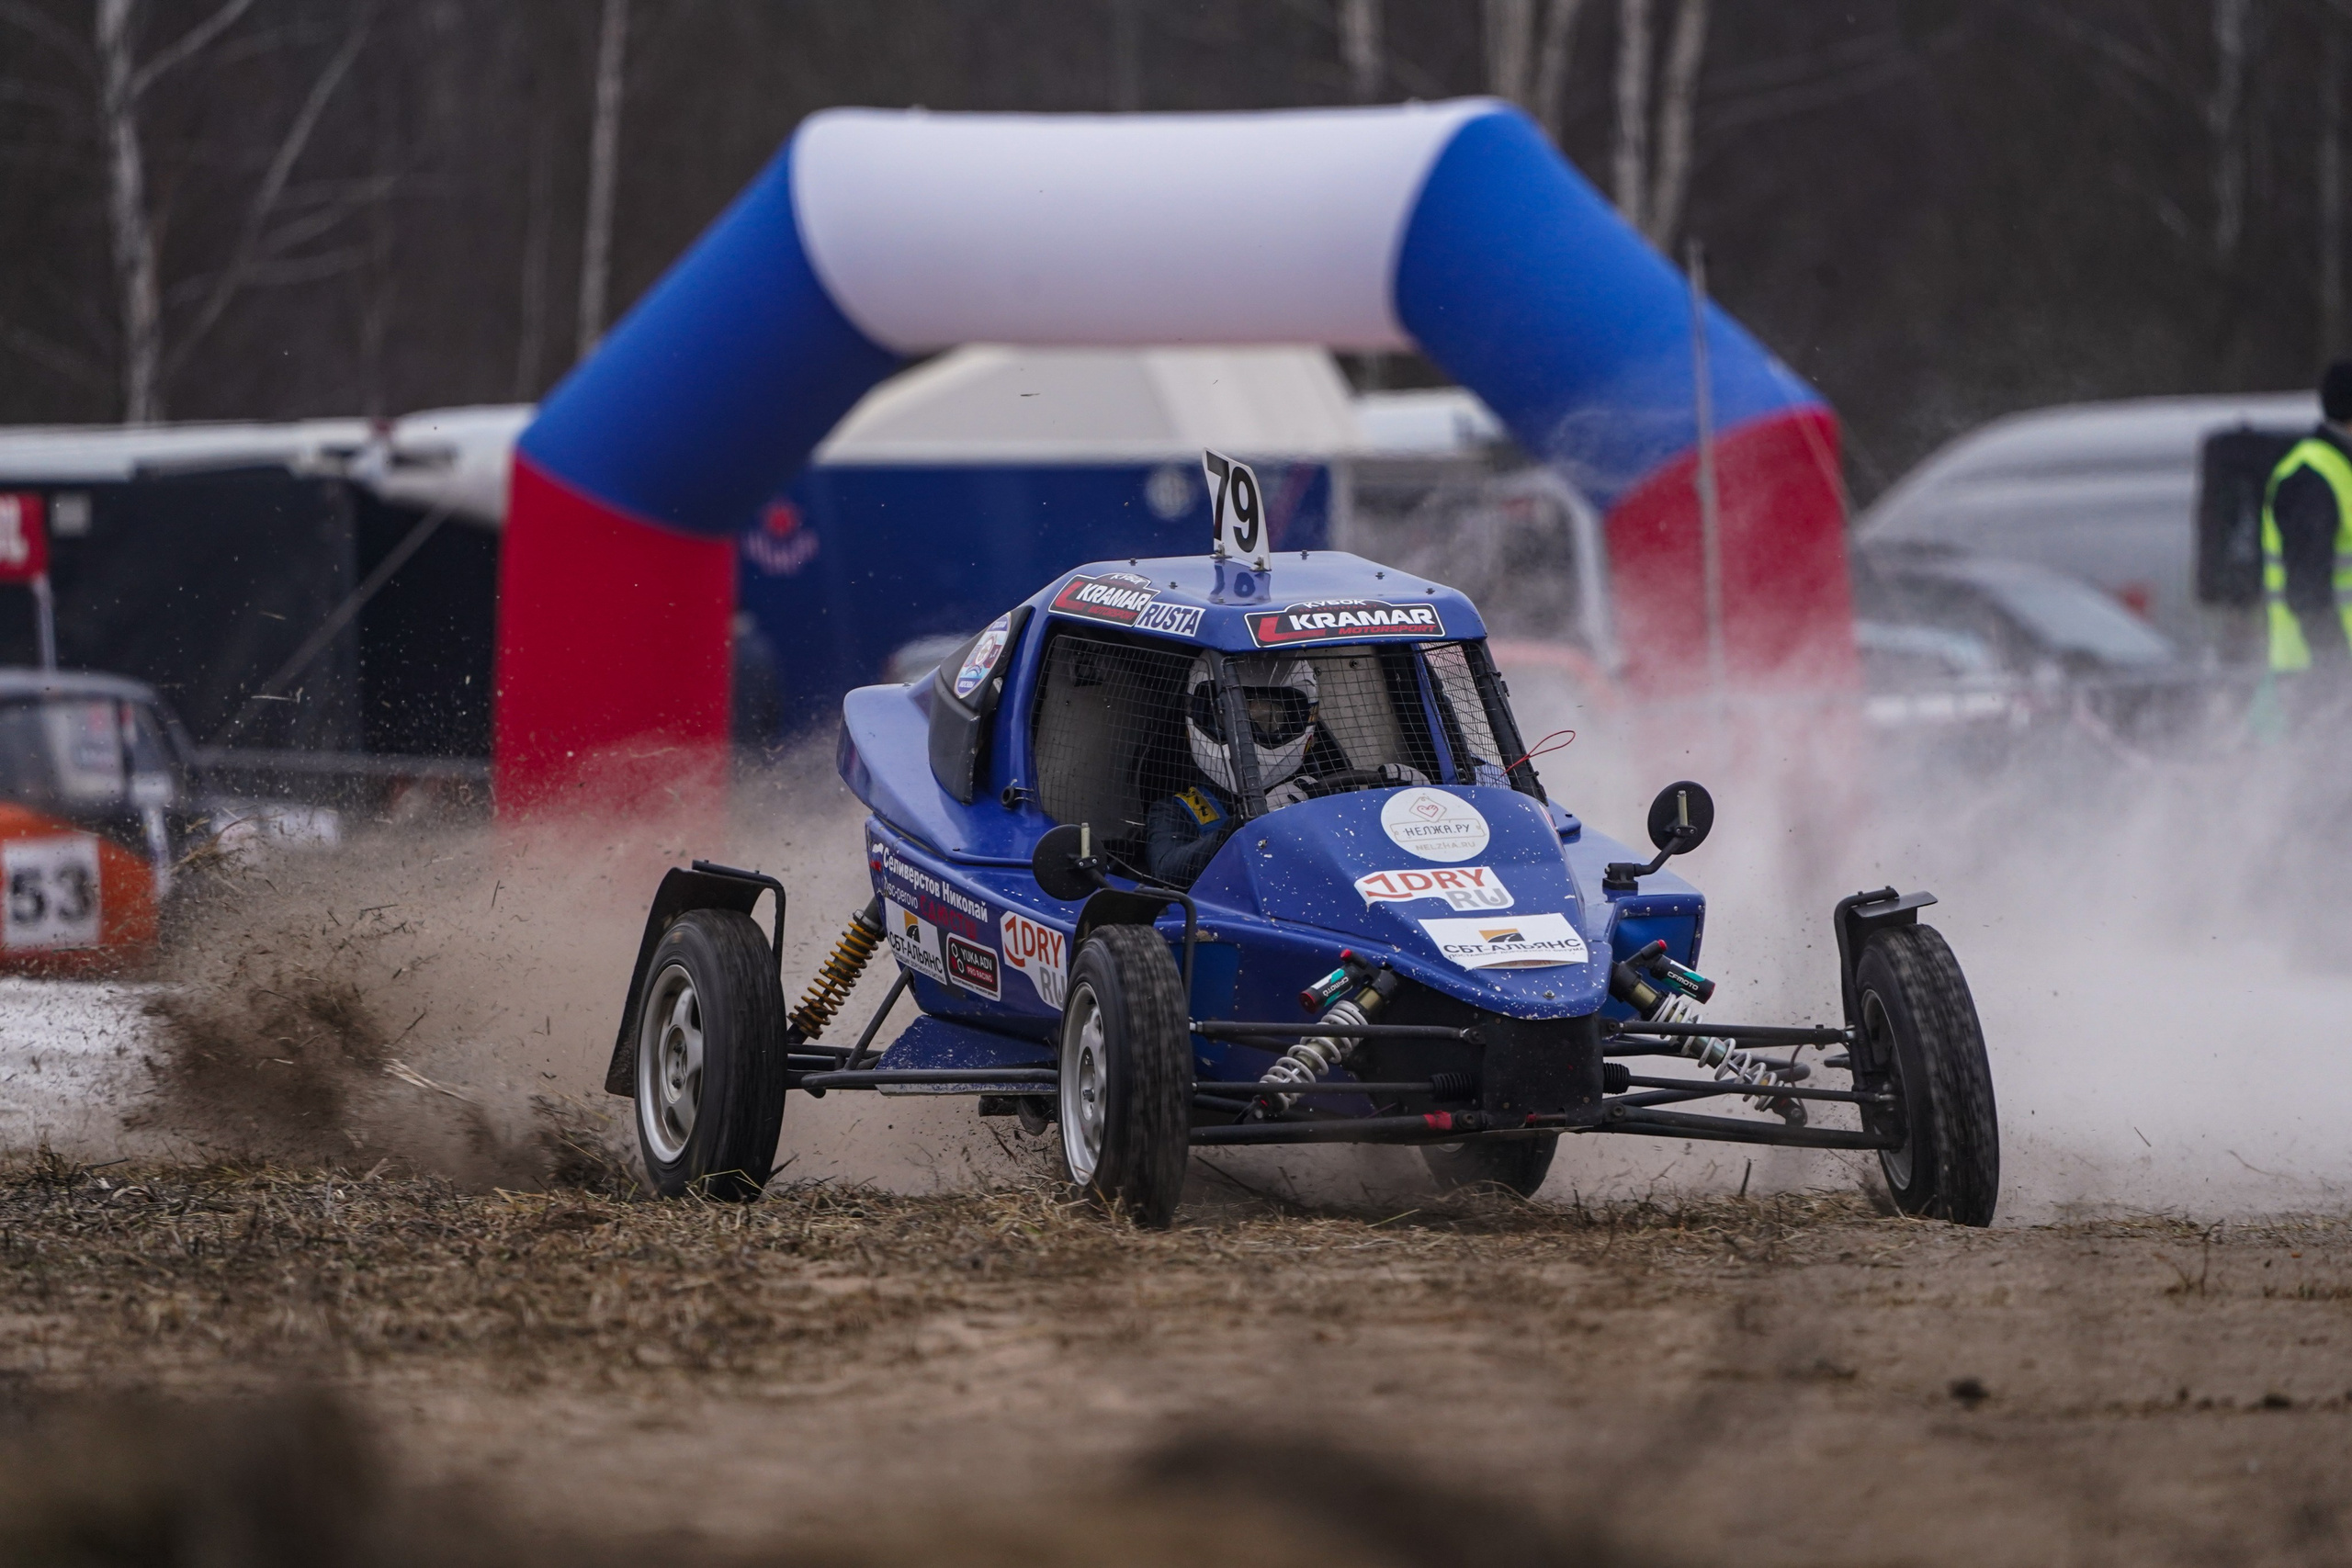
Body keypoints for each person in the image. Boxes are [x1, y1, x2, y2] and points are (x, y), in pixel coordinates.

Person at [1143, 653, 1423, 886]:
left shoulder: (1329, 792)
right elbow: (1166, 871)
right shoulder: (1178, 809)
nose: (1245, 735)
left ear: (1301, 721)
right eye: (1229, 717)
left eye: (1266, 718)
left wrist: (1405, 806)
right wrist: (1245, 823)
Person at [2262, 359, 2352, 724]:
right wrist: (2336, 670)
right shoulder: (2312, 476)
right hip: (2319, 674)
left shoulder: (2338, 471)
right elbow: (2307, 588)